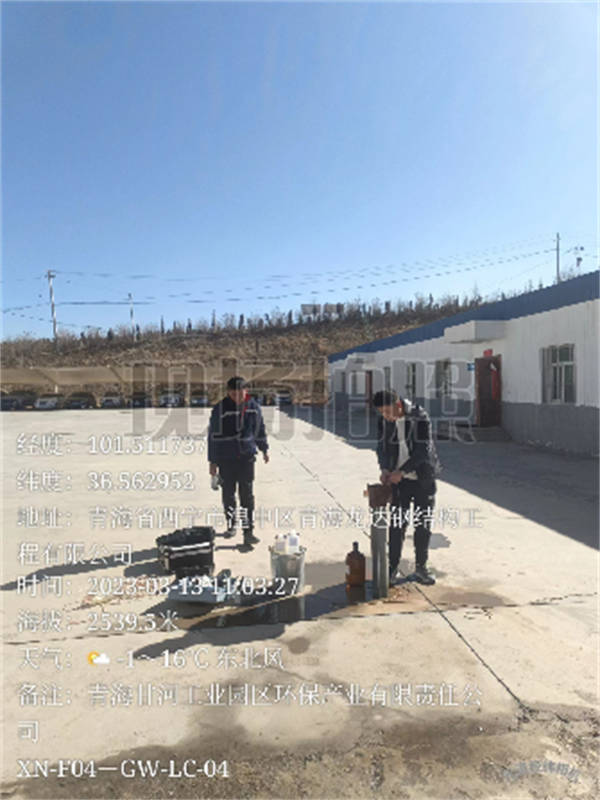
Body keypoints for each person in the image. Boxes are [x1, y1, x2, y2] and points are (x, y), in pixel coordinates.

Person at [372, 389, 441, 585]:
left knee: (422, 524)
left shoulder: (420, 417)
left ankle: (421, 568)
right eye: (382, 413)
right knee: (397, 525)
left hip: (422, 479)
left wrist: (401, 471)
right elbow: (381, 447)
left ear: (398, 405)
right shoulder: (384, 421)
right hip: (399, 482)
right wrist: (385, 468)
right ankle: (392, 568)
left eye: (388, 412)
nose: (386, 417)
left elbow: (423, 451)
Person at [208, 376, 270, 551]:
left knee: (247, 495)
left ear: (246, 391)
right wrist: (212, 461)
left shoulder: (253, 407)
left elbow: (260, 429)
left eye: (240, 393)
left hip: (246, 457)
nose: (237, 397)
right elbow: (213, 436)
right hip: (226, 459)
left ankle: (248, 531)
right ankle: (231, 524)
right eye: (233, 394)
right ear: (228, 392)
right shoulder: (220, 408)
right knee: (228, 494)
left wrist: (264, 448)